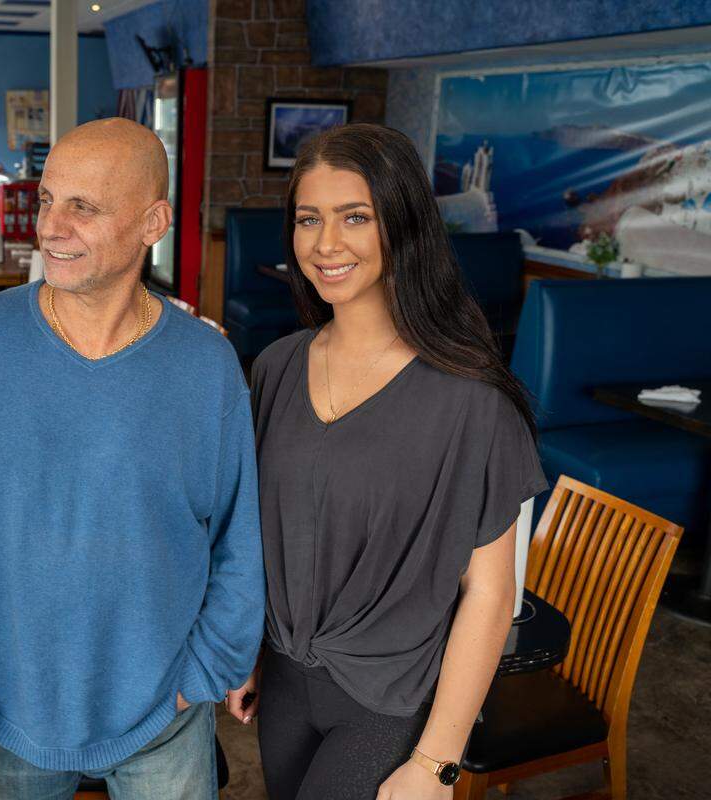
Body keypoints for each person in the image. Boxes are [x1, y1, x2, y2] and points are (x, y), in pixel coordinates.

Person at [0, 117, 264, 799]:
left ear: (153, 221)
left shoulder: (207, 364)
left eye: (84, 207)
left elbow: (239, 540)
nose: (50, 226)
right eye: (46, 200)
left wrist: (204, 674)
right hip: (13, 703)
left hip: (166, 711)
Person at [232, 123, 548, 800]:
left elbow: (490, 597)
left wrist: (437, 763)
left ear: (402, 225)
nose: (325, 244)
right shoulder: (278, 367)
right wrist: (246, 652)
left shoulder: (470, 399)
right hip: (284, 678)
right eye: (308, 219)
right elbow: (259, 537)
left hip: (391, 702)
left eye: (355, 217)